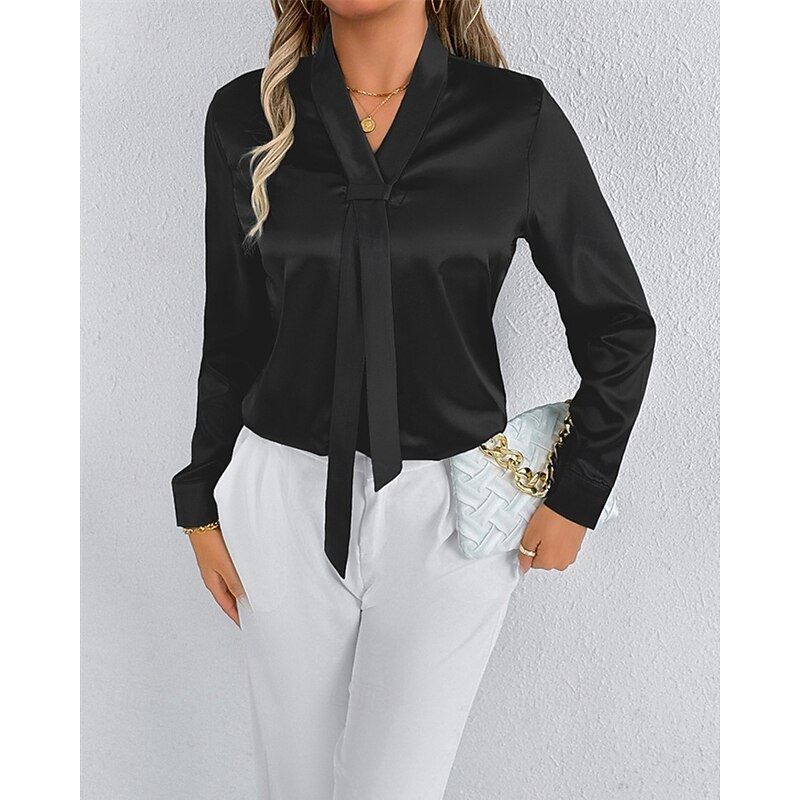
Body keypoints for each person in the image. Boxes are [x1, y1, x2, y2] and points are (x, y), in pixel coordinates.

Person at [170, 0, 657, 797]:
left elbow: (619, 326)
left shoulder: (514, 120)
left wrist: (578, 495)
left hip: (452, 515)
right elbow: (232, 334)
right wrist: (200, 500)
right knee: (291, 784)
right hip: (279, 497)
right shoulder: (246, 115)